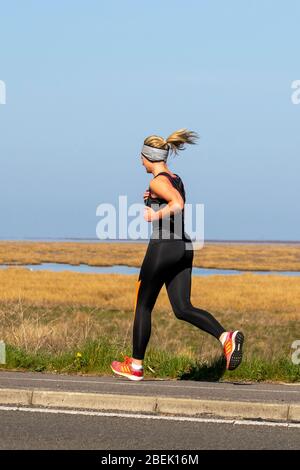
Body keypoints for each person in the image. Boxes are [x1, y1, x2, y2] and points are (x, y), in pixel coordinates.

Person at [111, 129, 244, 381]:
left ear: (148, 157)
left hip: (163, 247)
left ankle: (136, 366)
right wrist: (152, 199)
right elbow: (174, 196)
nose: (140, 161)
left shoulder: (156, 181)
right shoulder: (175, 177)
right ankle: (225, 337)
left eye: (141, 157)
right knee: (183, 308)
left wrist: (153, 214)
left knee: (143, 305)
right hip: (183, 247)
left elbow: (177, 204)